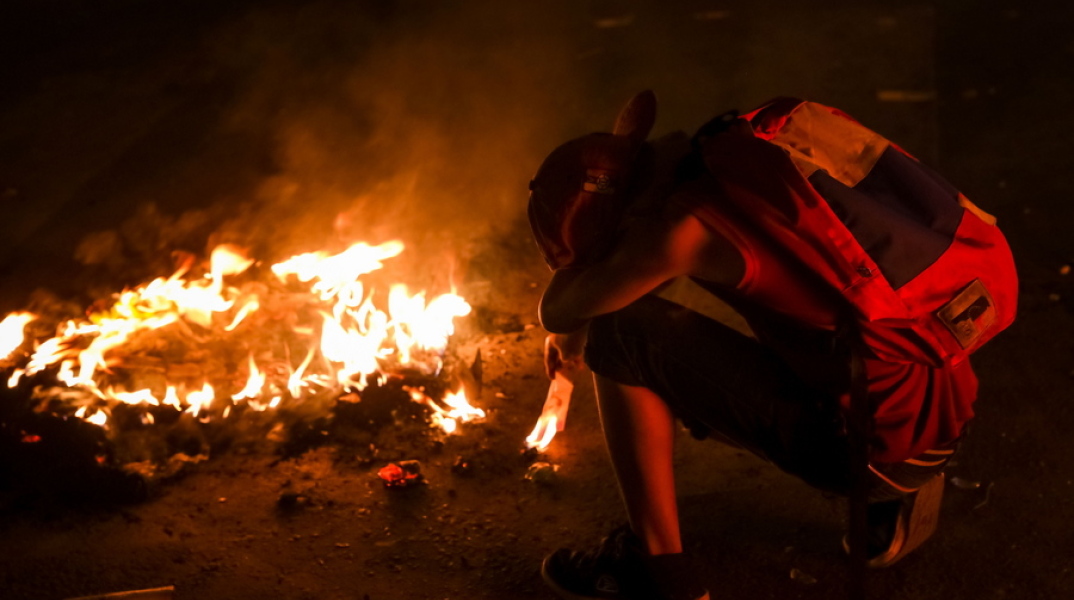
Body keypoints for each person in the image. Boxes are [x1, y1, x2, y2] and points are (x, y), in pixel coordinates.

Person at [527, 91, 987, 600]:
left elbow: (561, 309)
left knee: (621, 335)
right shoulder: (742, 148)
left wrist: (585, 283)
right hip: (943, 395)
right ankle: (895, 494)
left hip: (871, 450)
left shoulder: (683, 232)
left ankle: (659, 574)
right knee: (827, 325)